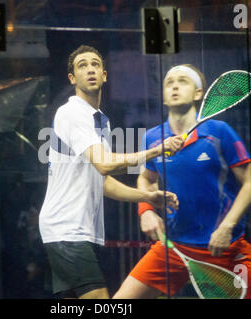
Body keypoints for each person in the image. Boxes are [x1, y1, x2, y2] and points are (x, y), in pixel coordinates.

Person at [113, 64, 251, 299]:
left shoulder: (219, 132)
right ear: (164, 96)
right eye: (169, 82)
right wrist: (146, 210)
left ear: (198, 94)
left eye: (183, 81)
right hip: (174, 247)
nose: (175, 86)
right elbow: (146, 180)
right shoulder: (152, 138)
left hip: (224, 248)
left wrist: (227, 227)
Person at [38, 45, 185, 299]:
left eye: (95, 64)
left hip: (73, 231)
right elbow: (105, 164)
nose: (90, 69)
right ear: (72, 78)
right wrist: (155, 151)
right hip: (67, 229)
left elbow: (103, 182)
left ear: (104, 75)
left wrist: (147, 197)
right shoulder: (72, 112)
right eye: (82, 66)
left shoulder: (99, 121)